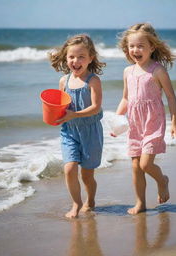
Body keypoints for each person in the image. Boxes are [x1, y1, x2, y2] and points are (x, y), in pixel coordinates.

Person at [113, 23, 176, 215]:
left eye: (140, 46)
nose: (135, 50)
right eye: (131, 46)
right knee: (135, 166)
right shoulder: (128, 71)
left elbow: (171, 97)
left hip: (153, 122)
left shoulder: (157, 71)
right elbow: (126, 98)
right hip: (134, 123)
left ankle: (162, 180)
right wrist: (116, 121)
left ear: (152, 47)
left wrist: (175, 123)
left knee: (145, 164)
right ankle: (140, 203)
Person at [49, 34, 105, 218]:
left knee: (88, 176)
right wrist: (53, 114)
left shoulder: (93, 81)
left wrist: (75, 114)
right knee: (69, 168)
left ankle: (90, 200)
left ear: (90, 58)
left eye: (81, 56)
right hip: (69, 131)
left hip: (90, 132)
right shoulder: (63, 81)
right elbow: (61, 105)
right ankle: (76, 203)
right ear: (66, 58)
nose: (76, 60)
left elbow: (96, 108)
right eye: (72, 56)